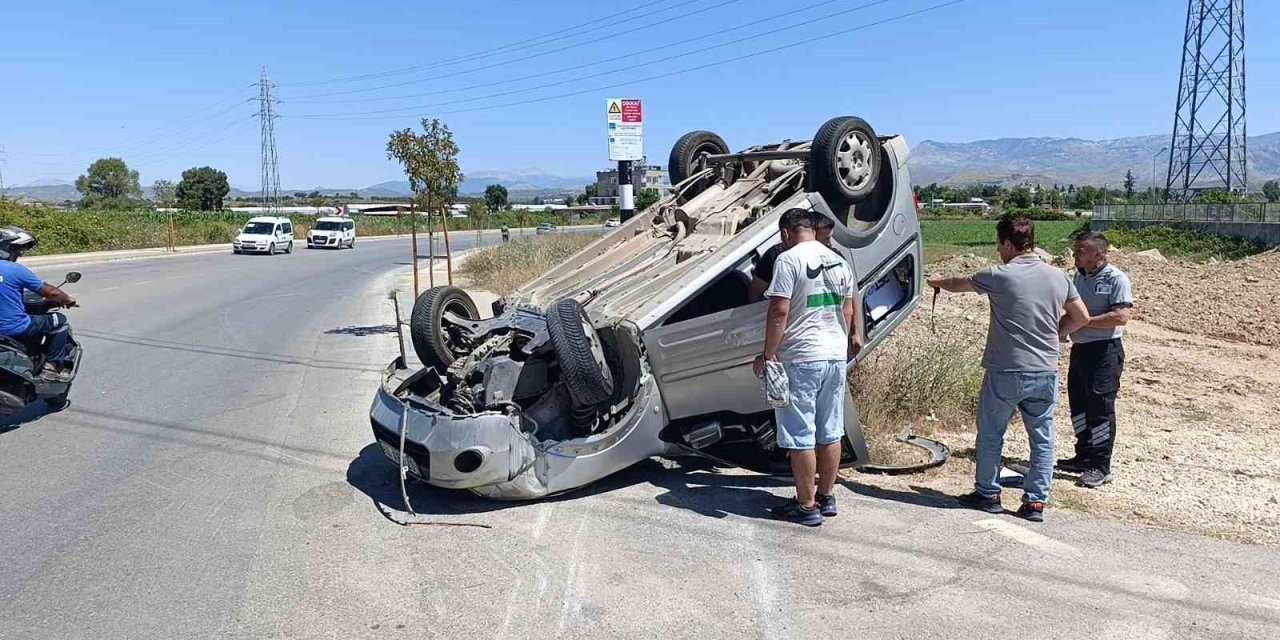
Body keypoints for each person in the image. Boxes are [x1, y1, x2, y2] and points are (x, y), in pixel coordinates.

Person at [927, 217, 1090, 522]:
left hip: (1005, 369)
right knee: (1042, 438)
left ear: (1006, 243)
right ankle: (1035, 503)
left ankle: (988, 494)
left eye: (998, 244)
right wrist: (1055, 333)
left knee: (991, 434)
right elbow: (1081, 316)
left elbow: (957, 284)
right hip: (1044, 369)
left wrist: (935, 281)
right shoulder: (1058, 277)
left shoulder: (998, 275)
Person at [752, 209, 856, 526]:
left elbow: (779, 311)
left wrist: (768, 354)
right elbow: (848, 310)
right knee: (830, 429)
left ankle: (806, 505)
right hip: (835, 356)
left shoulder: (788, 260)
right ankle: (826, 496)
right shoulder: (839, 261)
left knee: (800, 435)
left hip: (800, 358)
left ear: (785, 233)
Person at [1059, 232, 1132, 489]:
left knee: (1100, 409)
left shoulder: (1116, 279)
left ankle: (1101, 466)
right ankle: (1083, 455)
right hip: (1081, 349)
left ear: (1099, 254)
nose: (1076, 253)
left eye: (1081, 250)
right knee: (1079, 405)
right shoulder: (1079, 276)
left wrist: (1086, 321)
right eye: (1076, 249)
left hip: (1104, 352)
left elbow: (1121, 317)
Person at [0, 226, 78, 381]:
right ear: (8, 248)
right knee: (60, 320)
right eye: (18, 250)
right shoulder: (15, 270)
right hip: (13, 328)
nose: (20, 254)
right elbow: (52, 293)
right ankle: (51, 368)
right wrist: (67, 300)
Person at [748, 213, 836, 303]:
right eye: (825, 239)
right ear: (812, 234)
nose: (830, 244)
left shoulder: (835, 259)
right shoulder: (776, 256)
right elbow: (754, 295)